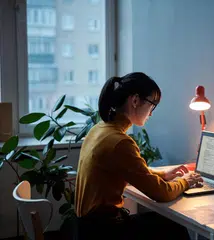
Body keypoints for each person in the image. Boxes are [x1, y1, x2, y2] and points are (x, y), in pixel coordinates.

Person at [75, 72, 203, 240]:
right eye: (152, 105)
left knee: (164, 224)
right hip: (104, 231)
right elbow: (161, 193)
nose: (151, 113)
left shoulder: (100, 129)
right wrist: (186, 181)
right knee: (175, 228)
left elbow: (131, 170)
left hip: (85, 227)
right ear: (135, 101)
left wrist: (163, 174)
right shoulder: (120, 142)